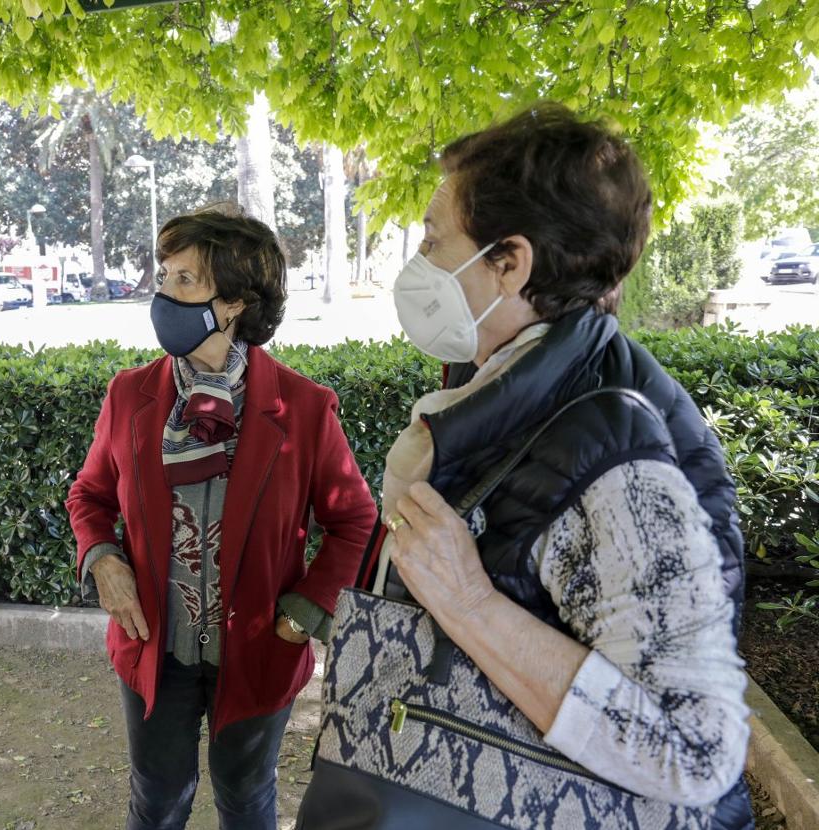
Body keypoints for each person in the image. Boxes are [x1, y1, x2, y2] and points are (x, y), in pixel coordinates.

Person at [299, 104, 751, 825]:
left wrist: (469, 603)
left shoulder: (616, 455)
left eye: (435, 240)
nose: (418, 265)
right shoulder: (524, 394)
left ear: (511, 262)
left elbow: (693, 748)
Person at [66, 205, 378, 830]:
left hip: (261, 648)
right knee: (156, 799)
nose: (165, 293)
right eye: (165, 275)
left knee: (245, 797)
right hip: (155, 644)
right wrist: (103, 559)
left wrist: (304, 611)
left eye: (186, 280)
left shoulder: (305, 408)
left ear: (234, 302)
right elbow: (90, 496)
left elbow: (356, 520)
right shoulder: (131, 395)